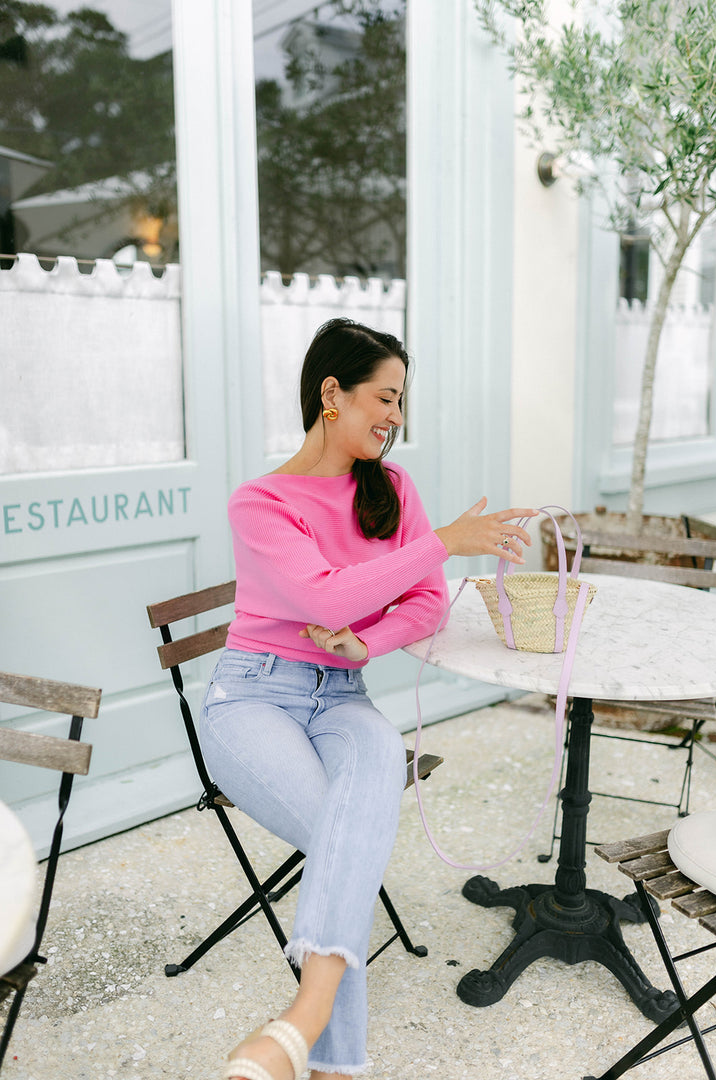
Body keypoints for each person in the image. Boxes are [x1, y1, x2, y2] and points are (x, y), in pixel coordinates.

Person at [199, 317, 537, 1080]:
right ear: (331, 394)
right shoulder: (261, 502)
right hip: (253, 697)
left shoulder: (393, 491)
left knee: (367, 785)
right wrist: (446, 540)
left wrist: (366, 643)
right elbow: (326, 590)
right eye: (385, 396)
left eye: (402, 401)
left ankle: (300, 1025)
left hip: (341, 696)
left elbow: (425, 602)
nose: (395, 417)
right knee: (344, 837)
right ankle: (326, 1057)